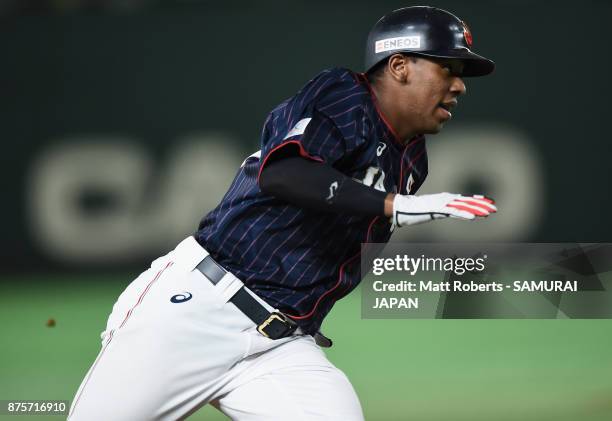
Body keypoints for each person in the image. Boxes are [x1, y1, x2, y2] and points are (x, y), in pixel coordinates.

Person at [69, 6, 497, 420]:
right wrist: (394, 206)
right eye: (448, 69)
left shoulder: (412, 160)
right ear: (400, 65)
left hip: (280, 347)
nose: (460, 86)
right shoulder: (345, 96)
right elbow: (284, 172)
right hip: (197, 311)